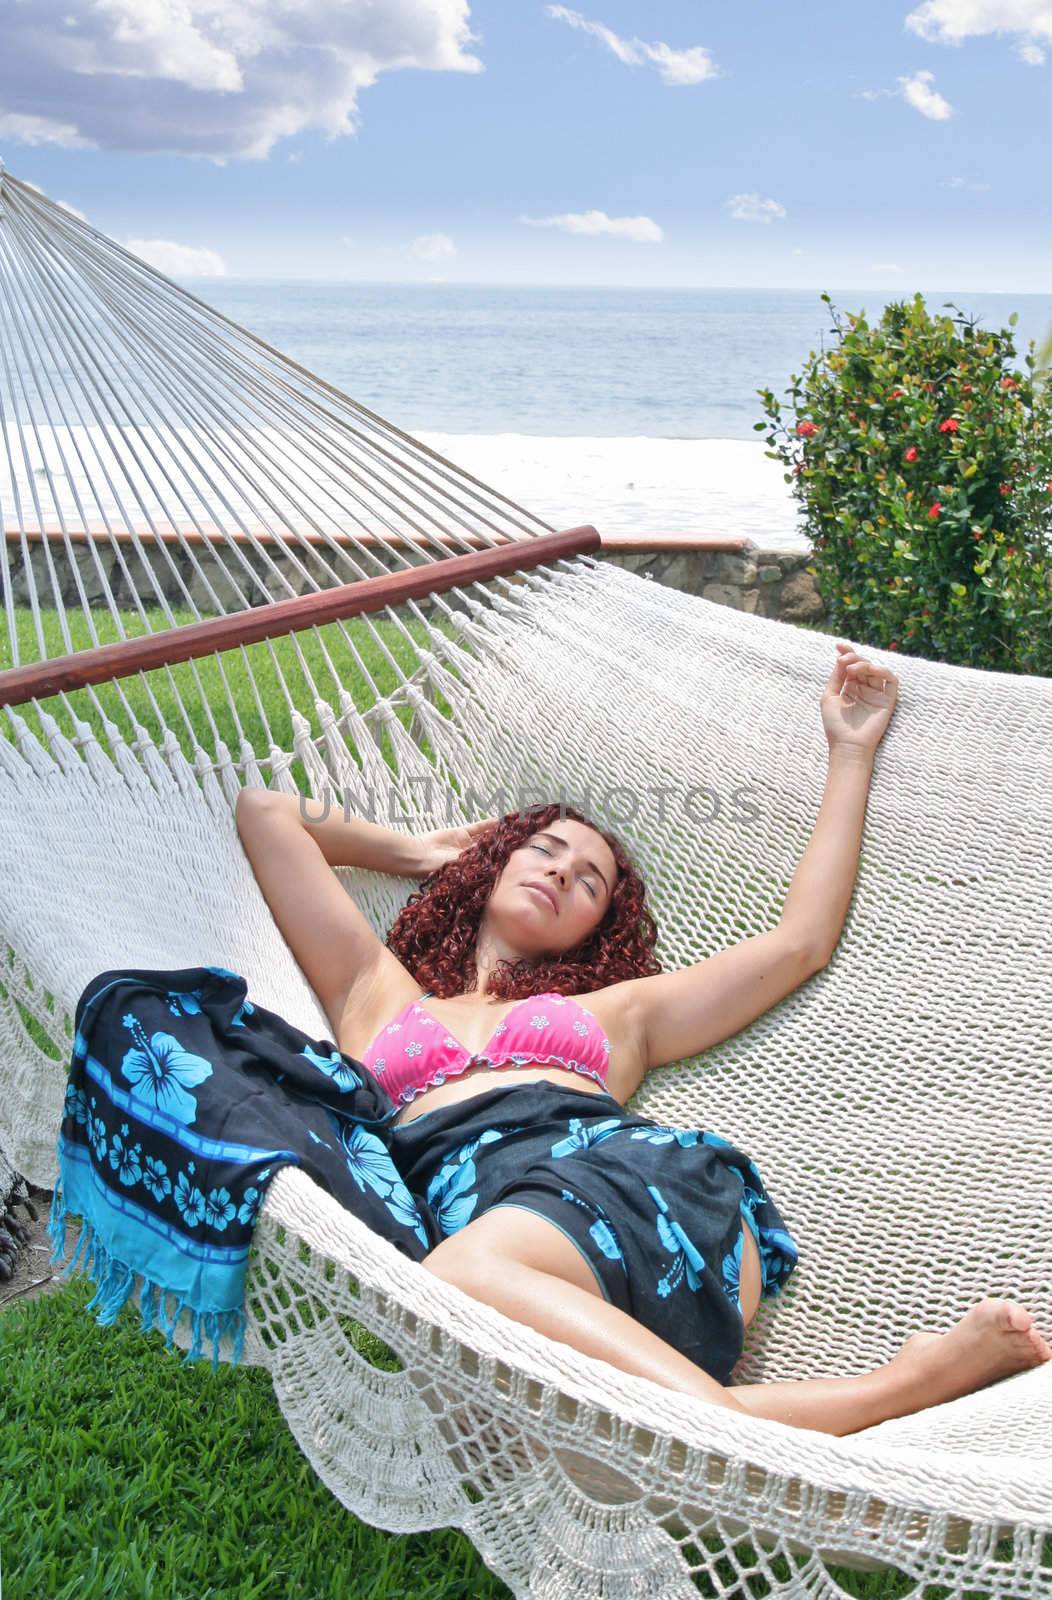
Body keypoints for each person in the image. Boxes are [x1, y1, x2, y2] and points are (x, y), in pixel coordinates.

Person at [235, 641, 1051, 1435]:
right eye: (541, 850)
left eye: (589, 879)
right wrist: (423, 850)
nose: (559, 871)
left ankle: (892, 1390)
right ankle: (885, 1394)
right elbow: (267, 813)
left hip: (639, 1195)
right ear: (489, 868)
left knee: (453, 1282)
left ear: (599, 929)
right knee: (595, 1425)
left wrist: (850, 751)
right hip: (522, 1261)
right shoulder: (376, 994)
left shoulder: (620, 1013)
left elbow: (799, 943)